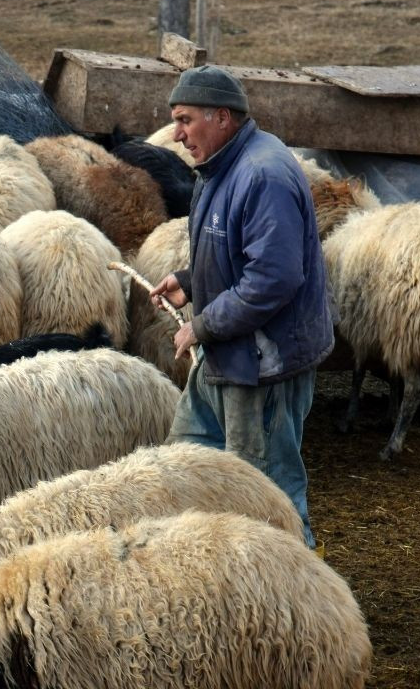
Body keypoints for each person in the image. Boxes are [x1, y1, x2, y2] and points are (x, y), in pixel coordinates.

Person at [149, 65, 334, 551]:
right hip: (227, 355)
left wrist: (203, 326)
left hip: (263, 366)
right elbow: (241, 254)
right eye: (176, 119)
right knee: (189, 465)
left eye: (186, 119)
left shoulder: (262, 174)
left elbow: (273, 279)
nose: (177, 133)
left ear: (223, 117)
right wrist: (191, 283)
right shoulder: (222, 166)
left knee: (266, 493)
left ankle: (300, 597)